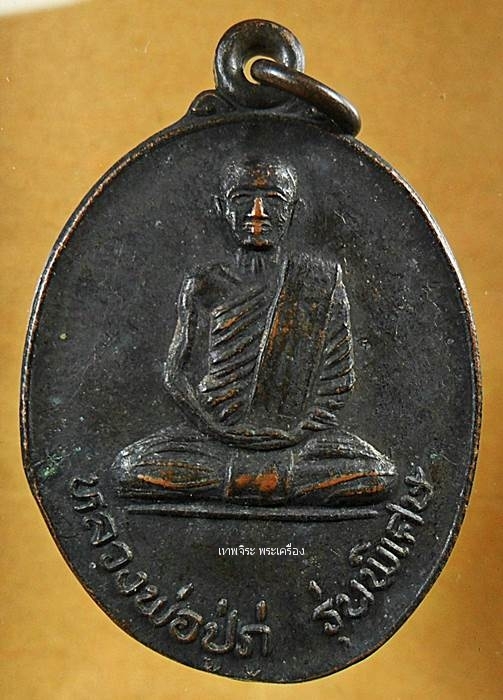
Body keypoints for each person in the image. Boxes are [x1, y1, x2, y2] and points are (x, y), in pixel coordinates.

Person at [114, 159, 396, 506]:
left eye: (274, 200)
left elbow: (338, 383)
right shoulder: (205, 283)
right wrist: (217, 429)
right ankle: (274, 482)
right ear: (222, 208)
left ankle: (241, 480)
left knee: (378, 474)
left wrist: (294, 434)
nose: (258, 212)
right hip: (213, 439)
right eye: (242, 199)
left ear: (294, 210)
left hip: (297, 444)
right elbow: (176, 374)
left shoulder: (319, 281)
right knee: (129, 468)